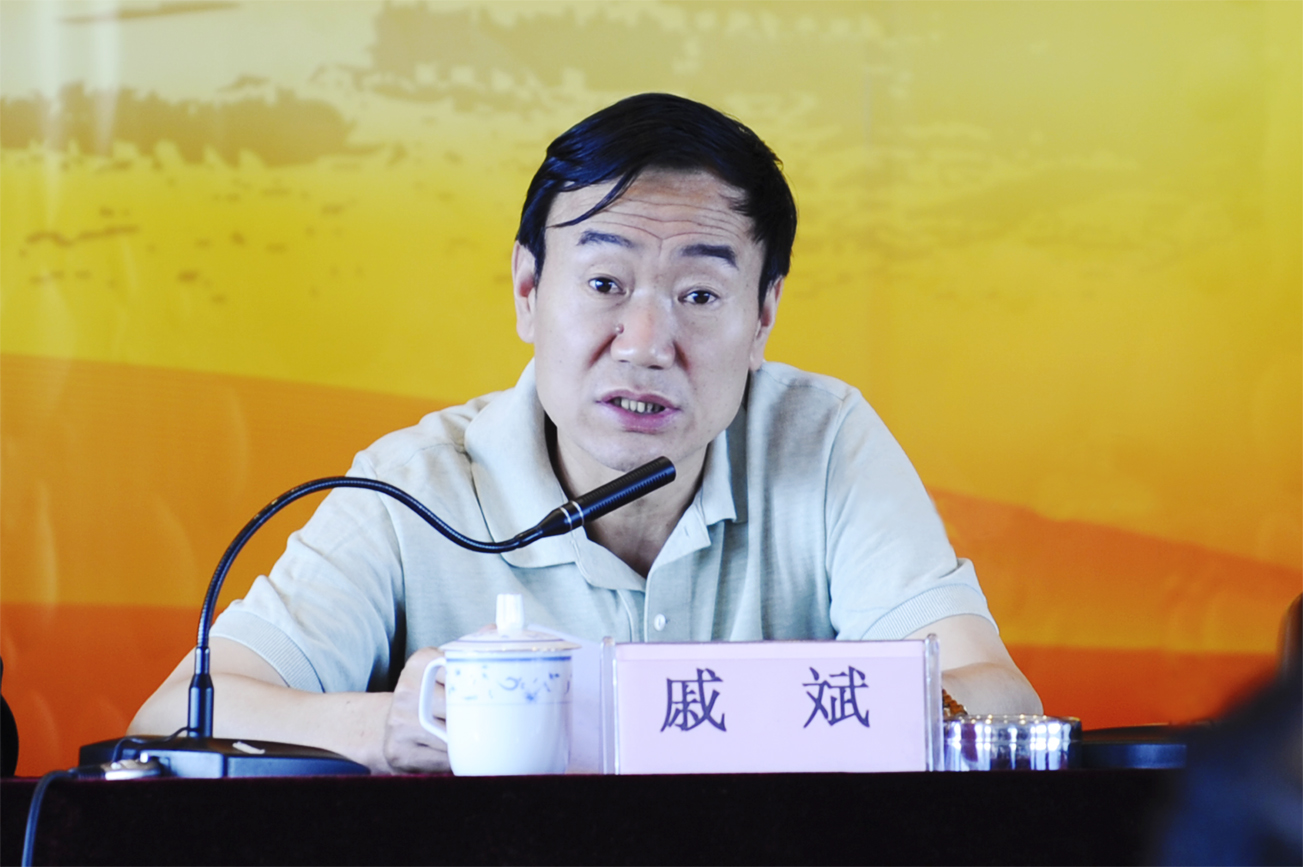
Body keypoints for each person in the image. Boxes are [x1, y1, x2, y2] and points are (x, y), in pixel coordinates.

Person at [130, 93, 1040, 773]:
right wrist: (381, 728)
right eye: (605, 285)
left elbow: (997, 697)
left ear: (763, 315)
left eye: (699, 295)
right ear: (528, 292)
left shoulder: (823, 439)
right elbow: (173, 715)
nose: (644, 344)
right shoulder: (414, 486)